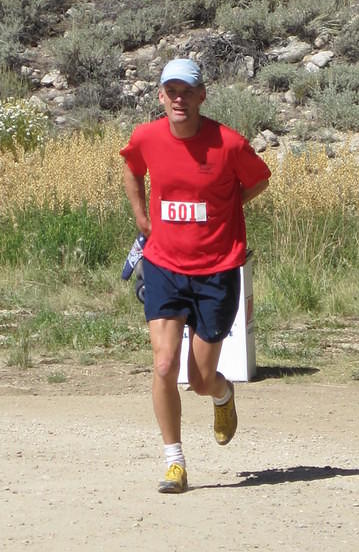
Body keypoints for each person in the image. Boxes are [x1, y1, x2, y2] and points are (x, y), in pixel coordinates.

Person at [120, 57, 271, 493]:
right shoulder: (146, 137)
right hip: (164, 264)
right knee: (164, 364)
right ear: (161, 96)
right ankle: (174, 462)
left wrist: (229, 206)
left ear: (202, 95)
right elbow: (132, 169)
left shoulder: (228, 144)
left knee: (200, 379)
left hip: (216, 271)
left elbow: (259, 180)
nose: (179, 99)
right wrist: (140, 216)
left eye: (187, 91)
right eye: (171, 91)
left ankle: (223, 397)